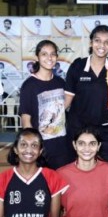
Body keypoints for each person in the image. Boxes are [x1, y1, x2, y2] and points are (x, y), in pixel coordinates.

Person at [64, 25, 108, 165]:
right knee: (76, 169)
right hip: (78, 129)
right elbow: (67, 100)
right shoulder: (77, 66)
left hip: (105, 131)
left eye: (107, 42)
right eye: (98, 41)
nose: (102, 45)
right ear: (91, 43)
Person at [19, 40, 70, 170]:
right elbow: (26, 121)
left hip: (62, 147)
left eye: (53, 54)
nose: (49, 58)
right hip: (42, 149)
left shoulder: (60, 82)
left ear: (57, 57)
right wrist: (34, 147)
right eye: (44, 54)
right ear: (37, 57)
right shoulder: (29, 86)